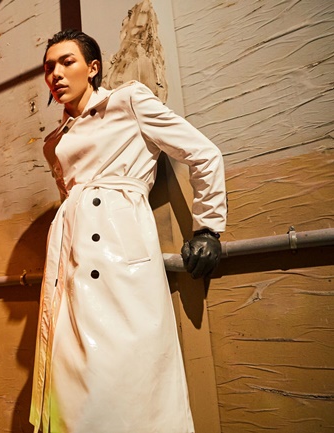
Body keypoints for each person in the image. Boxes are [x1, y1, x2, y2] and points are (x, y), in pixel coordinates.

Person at [29, 29, 227, 433]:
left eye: (67, 62)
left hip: (122, 252)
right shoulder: (54, 143)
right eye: (49, 67)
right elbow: (72, 201)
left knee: (130, 374)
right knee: (72, 384)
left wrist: (208, 228)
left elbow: (204, 154)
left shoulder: (128, 101)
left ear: (93, 68)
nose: (56, 74)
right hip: (69, 260)